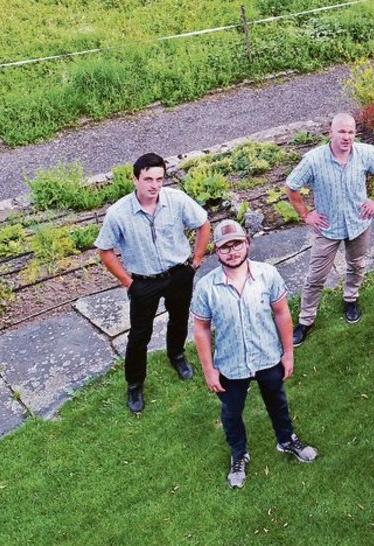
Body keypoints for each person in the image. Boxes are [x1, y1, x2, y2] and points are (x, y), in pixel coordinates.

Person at [190, 220, 318, 489]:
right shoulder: (206, 286)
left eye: (236, 244)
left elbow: (282, 312)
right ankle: (239, 454)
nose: (232, 251)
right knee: (231, 413)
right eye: (225, 247)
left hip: (267, 356)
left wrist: (288, 353)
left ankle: (286, 440)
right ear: (216, 251)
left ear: (247, 242)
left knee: (277, 401)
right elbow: (201, 329)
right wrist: (209, 369)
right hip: (230, 364)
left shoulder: (267, 274)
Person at [94, 152, 210, 414]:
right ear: (135, 179)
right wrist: (128, 282)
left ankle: (177, 356)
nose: (154, 185)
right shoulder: (118, 213)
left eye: (159, 179)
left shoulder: (177, 200)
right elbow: (105, 250)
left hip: (179, 273)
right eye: (148, 179)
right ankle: (134, 384)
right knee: (139, 335)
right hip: (143, 283)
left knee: (179, 319)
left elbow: (203, 223)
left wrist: (196, 261)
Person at [285, 113, 374, 343]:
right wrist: (306, 214)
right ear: (331, 133)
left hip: (358, 224)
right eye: (342, 132)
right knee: (316, 276)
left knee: (356, 265)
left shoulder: (364, 153)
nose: (347, 137)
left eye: (351, 132)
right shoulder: (314, 160)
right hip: (327, 229)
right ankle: (306, 321)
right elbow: (291, 186)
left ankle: (350, 298)